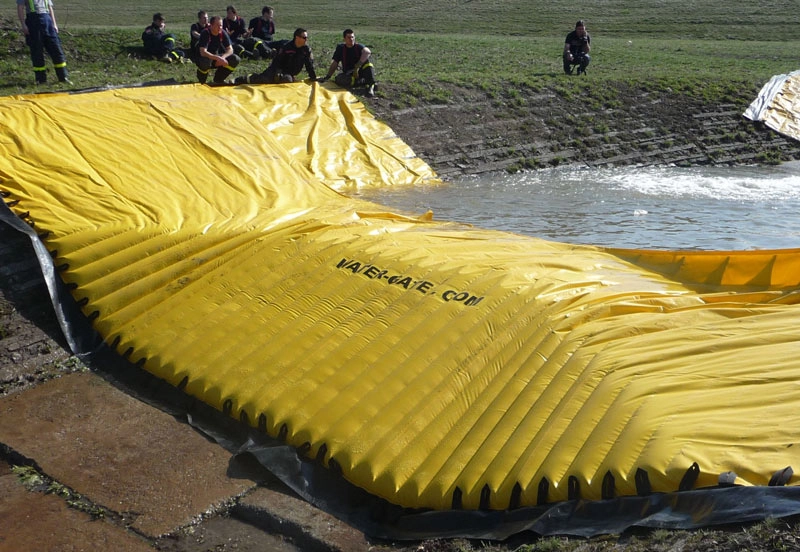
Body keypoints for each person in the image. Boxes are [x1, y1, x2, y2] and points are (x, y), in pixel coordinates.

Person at [235, 28, 316, 85]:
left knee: (286, 80)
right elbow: (277, 61)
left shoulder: (306, 50)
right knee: (263, 79)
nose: (306, 39)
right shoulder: (286, 47)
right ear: (297, 37)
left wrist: (313, 77)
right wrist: (278, 72)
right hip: (276, 68)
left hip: (288, 73)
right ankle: (244, 79)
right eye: (304, 37)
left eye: (306, 37)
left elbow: (309, 65)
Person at [16, 0, 70, 84]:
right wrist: (23, 25)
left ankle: (63, 77)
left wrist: (54, 24)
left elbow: (50, 7)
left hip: (48, 23)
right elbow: (20, 8)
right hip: (33, 23)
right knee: (37, 52)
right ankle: (41, 80)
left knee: (56, 50)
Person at [318, 28, 376, 97]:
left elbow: (367, 52)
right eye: (349, 37)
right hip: (349, 74)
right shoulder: (340, 48)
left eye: (352, 37)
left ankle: (369, 87)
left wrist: (357, 67)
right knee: (339, 79)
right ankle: (363, 81)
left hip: (359, 71)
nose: (351, 39)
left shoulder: (358, 47)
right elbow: (335, 63)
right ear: (344, 39)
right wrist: (327, 77)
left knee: (368, 64)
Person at [195, 15, 241, 84]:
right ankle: (202, 81)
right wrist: (217, 58)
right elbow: (203, 52)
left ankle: (218, 79)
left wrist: (222, 58)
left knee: (235, 59)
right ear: (211, 25)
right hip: (204, 58)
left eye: (221, 25)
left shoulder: (222, 33)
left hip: (217, 58)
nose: (220, 28)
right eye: (218, 25)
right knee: (205, 62)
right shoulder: (205, 33)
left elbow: (230, 49)